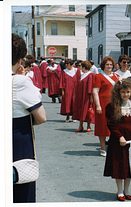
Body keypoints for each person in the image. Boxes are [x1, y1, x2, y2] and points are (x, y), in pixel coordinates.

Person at [12, 33, 46, 203]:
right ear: (20, 59)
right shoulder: (19, 81)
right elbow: (41, 117)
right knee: (21, 185)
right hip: (17, 136)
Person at [104, 79, 131, 201]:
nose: (126, 94)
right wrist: (120, 136)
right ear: (118, 93)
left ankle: (127, 190)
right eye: (123, 92)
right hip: (118, 139)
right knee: (119, 165)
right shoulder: (112, 106)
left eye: (128, 92)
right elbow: (111, 124)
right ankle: (120, 191)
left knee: (129, 165)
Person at [92, 56, 120, 157]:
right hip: (103, 104)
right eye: (107, 64)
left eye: (111, 64)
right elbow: (95, 92)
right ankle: (103, 148)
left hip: (115, 104)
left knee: (116, 126)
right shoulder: (98, 76)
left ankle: (113, 147)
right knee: (103, 126)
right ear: (103, 65)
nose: (109, 66)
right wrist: (98, 105)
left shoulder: (116, 76)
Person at [73, 61, 95, 132]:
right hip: (80, 95)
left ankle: (89, 126)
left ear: (84, 67)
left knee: (87, 110)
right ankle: (80, 125)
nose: (80, 68)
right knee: (80, 110)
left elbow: (91, 86)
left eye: (81, 66)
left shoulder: (90, 75)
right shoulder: (81, 75)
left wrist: (91, 97)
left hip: (87, 96)